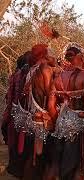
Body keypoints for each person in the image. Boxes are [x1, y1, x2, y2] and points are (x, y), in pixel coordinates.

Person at [45, 44, 84, 179]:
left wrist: (57, 121)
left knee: (56, 163)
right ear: (79, 57)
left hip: (61, 122)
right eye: (83, 57)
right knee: (79, 165)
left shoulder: (58, 77)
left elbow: (51, 106)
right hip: (80, 123)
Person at [12, 44, 56, 180]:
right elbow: (50, 94)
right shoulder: (45, 69)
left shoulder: (31, 69)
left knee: (35, 155)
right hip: (43, 118)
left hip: (33, 116)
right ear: (44, 55)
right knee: (42, 157)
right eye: (49, 52)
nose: (52, 55)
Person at [2, 51, 31, 178]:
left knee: (15, 142)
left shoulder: (15, 75)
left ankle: (15, 167)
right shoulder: (27, 75)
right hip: (24, 114)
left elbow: (10, 96)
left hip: (14, 113)